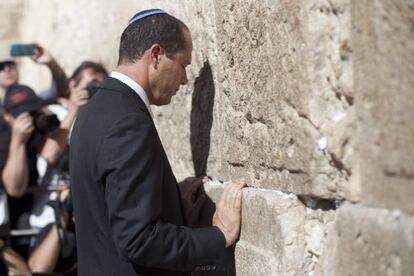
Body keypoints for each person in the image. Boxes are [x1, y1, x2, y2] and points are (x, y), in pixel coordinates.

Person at [70, 9, 246, 276]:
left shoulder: (94, 112)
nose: (185, 79)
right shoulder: (128, 122)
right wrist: (219, 236)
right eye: (184, 65)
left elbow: (110, 209)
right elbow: (137, 240)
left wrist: (171, 205)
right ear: (156, 55)